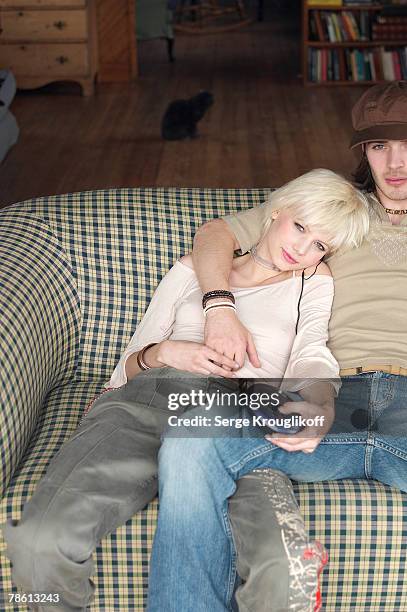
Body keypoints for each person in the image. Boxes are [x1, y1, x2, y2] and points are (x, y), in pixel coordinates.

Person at [2, 169, 369, 612]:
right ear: (275, 211)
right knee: (40, 541)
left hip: (235, 416)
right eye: (301, 227)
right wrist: (169, 352)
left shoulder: (312, 281)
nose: (301, 249)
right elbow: (130, 364)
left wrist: (318, 397)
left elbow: (311, 351)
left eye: (320, 245)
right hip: (150, 399)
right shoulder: (194, 268)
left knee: (276, 563)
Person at [147, 81, 407, 611]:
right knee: (193, 438)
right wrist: (219, 306)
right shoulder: (337, 215)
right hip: (337, 392)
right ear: (363, 152)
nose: (393, 162)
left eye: (406, 144)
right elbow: (216, 234)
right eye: (379, 146)